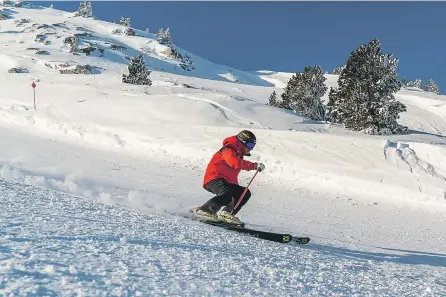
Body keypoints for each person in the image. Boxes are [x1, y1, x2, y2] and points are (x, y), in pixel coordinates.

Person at [194, 130, 265, 225]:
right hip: (214, 178)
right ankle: (205, 210)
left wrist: (237, 193)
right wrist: (253, 166)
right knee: (226, 194)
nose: (251, 149)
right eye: (250, 145)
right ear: (242, 141)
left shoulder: (238, 154)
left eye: (252, 146)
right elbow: (233, 162)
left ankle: (227, 213)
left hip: (225, 182)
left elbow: (232, 177)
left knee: (244, 193)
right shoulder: (228, 149)